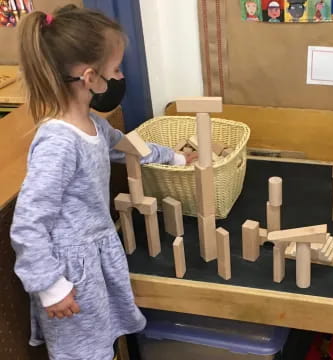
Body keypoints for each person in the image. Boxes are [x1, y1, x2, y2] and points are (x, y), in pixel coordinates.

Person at [10, 5, 195, 360]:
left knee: (100, 344)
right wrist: (50, 287)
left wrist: (174, 157)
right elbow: (28, 225)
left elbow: (123, 145)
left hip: (94, 256)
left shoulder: (92, 123)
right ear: (90, 77)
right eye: (115, 69)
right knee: (82, 352)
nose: (119, 75)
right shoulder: (58, 142)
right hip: (70, 272)